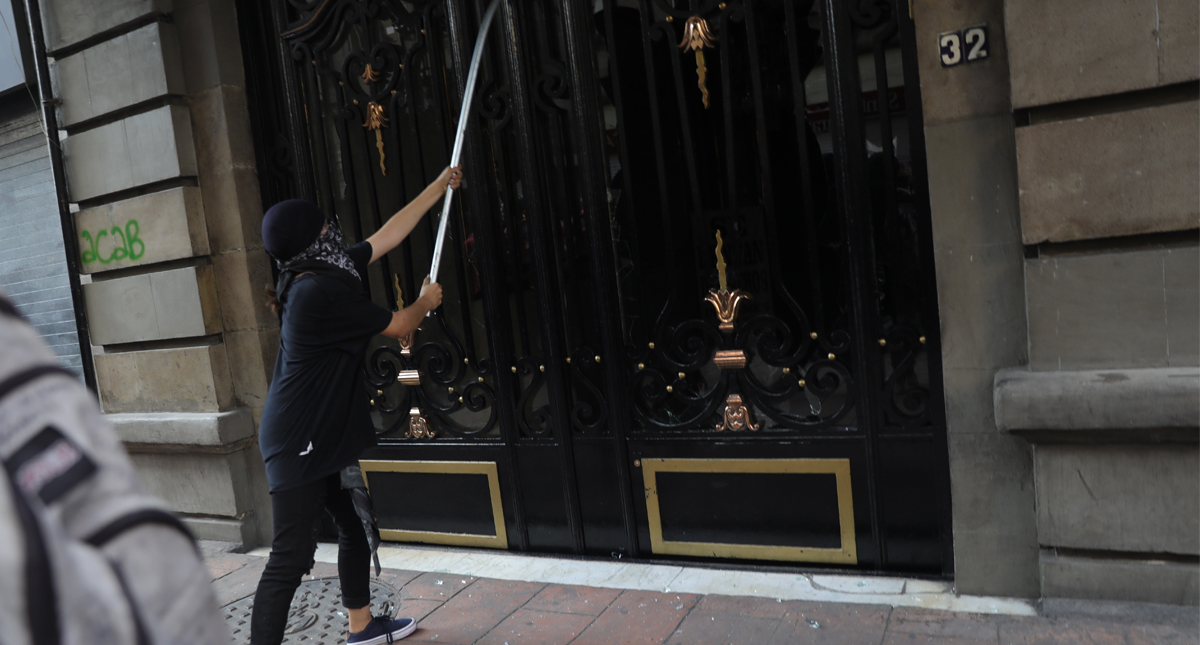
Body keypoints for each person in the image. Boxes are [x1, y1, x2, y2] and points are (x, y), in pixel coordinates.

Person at [250, 166, 462, 645]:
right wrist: (426, 301)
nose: (331, 229)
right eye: (323, 226)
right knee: (289, 558)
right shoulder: (317, 292)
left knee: (351, 523)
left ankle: (361, 627)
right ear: (311, 239)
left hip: (318, 433)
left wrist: (438, 186)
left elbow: (385, 236)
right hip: (298, 440)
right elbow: (401, 323)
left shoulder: (321, 268)